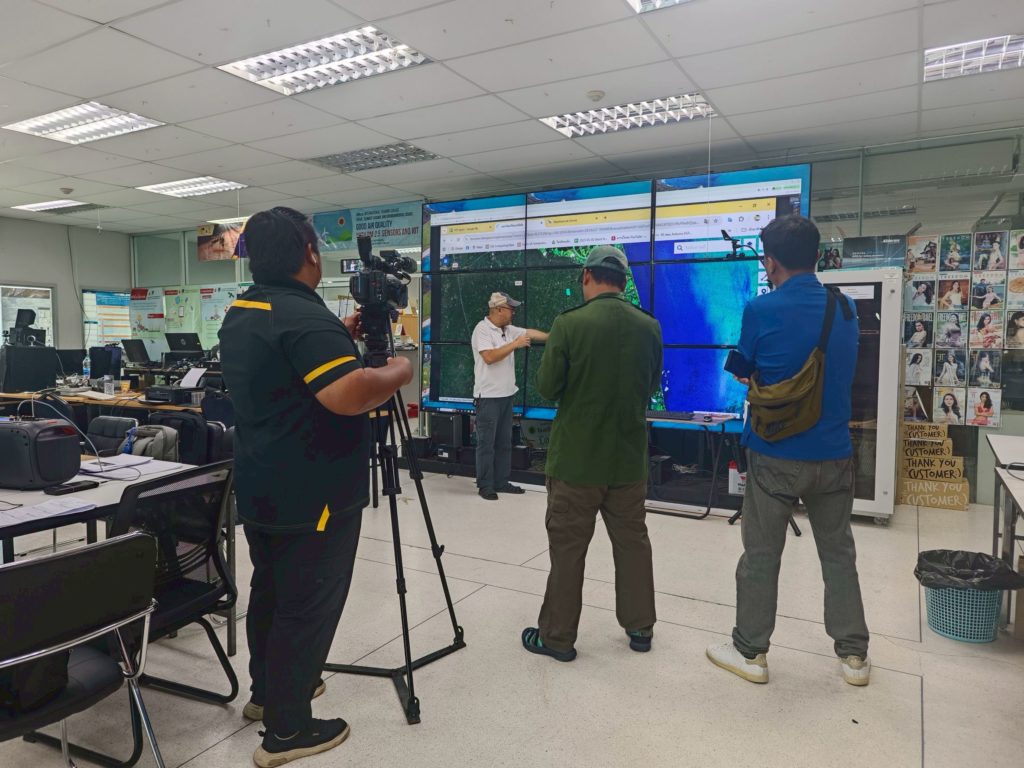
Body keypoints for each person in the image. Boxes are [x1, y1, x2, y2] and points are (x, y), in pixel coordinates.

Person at [219, 207, 413, 768]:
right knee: (307, 606)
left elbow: (289, 371)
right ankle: (288, 730)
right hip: (315, 493)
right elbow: (349, 394)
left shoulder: (245, 309)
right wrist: (399, 371)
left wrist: (336, 339)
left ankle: (267, 694)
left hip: (263, 485)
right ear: (309, 252)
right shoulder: (305, 317)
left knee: (272, 593)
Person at [705, 215, 870, 687]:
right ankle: (854, 657)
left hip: (773, 453)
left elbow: (743, 368)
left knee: (761, 554)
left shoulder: (761, 309)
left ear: (770, 262)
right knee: (838, 554)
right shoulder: (845, 309)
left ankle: (750, 651)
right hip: (834, 453)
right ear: (817, 257)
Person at [521, 245, 662, 661]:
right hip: (628, 461)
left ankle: (557, 638)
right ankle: (640, 627)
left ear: (586, 276)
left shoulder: (569, 324)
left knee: (568, 550)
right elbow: (651, 385)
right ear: (623, 281)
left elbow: (548, 387)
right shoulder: (649, 326)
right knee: (633, 544)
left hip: (576, 462)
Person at [471, 292, 548, 500]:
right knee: (486, 444)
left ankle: (501, 482)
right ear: (498, 310)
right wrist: (515, 344)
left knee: (504, 442)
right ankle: (485, 485)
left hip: (506, 395)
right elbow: (489, 357)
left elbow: (529, 332)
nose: (513, 313)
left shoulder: (508, 329)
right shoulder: (482, 329)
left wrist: (552, 336)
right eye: (510, 309)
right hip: (488, 397)